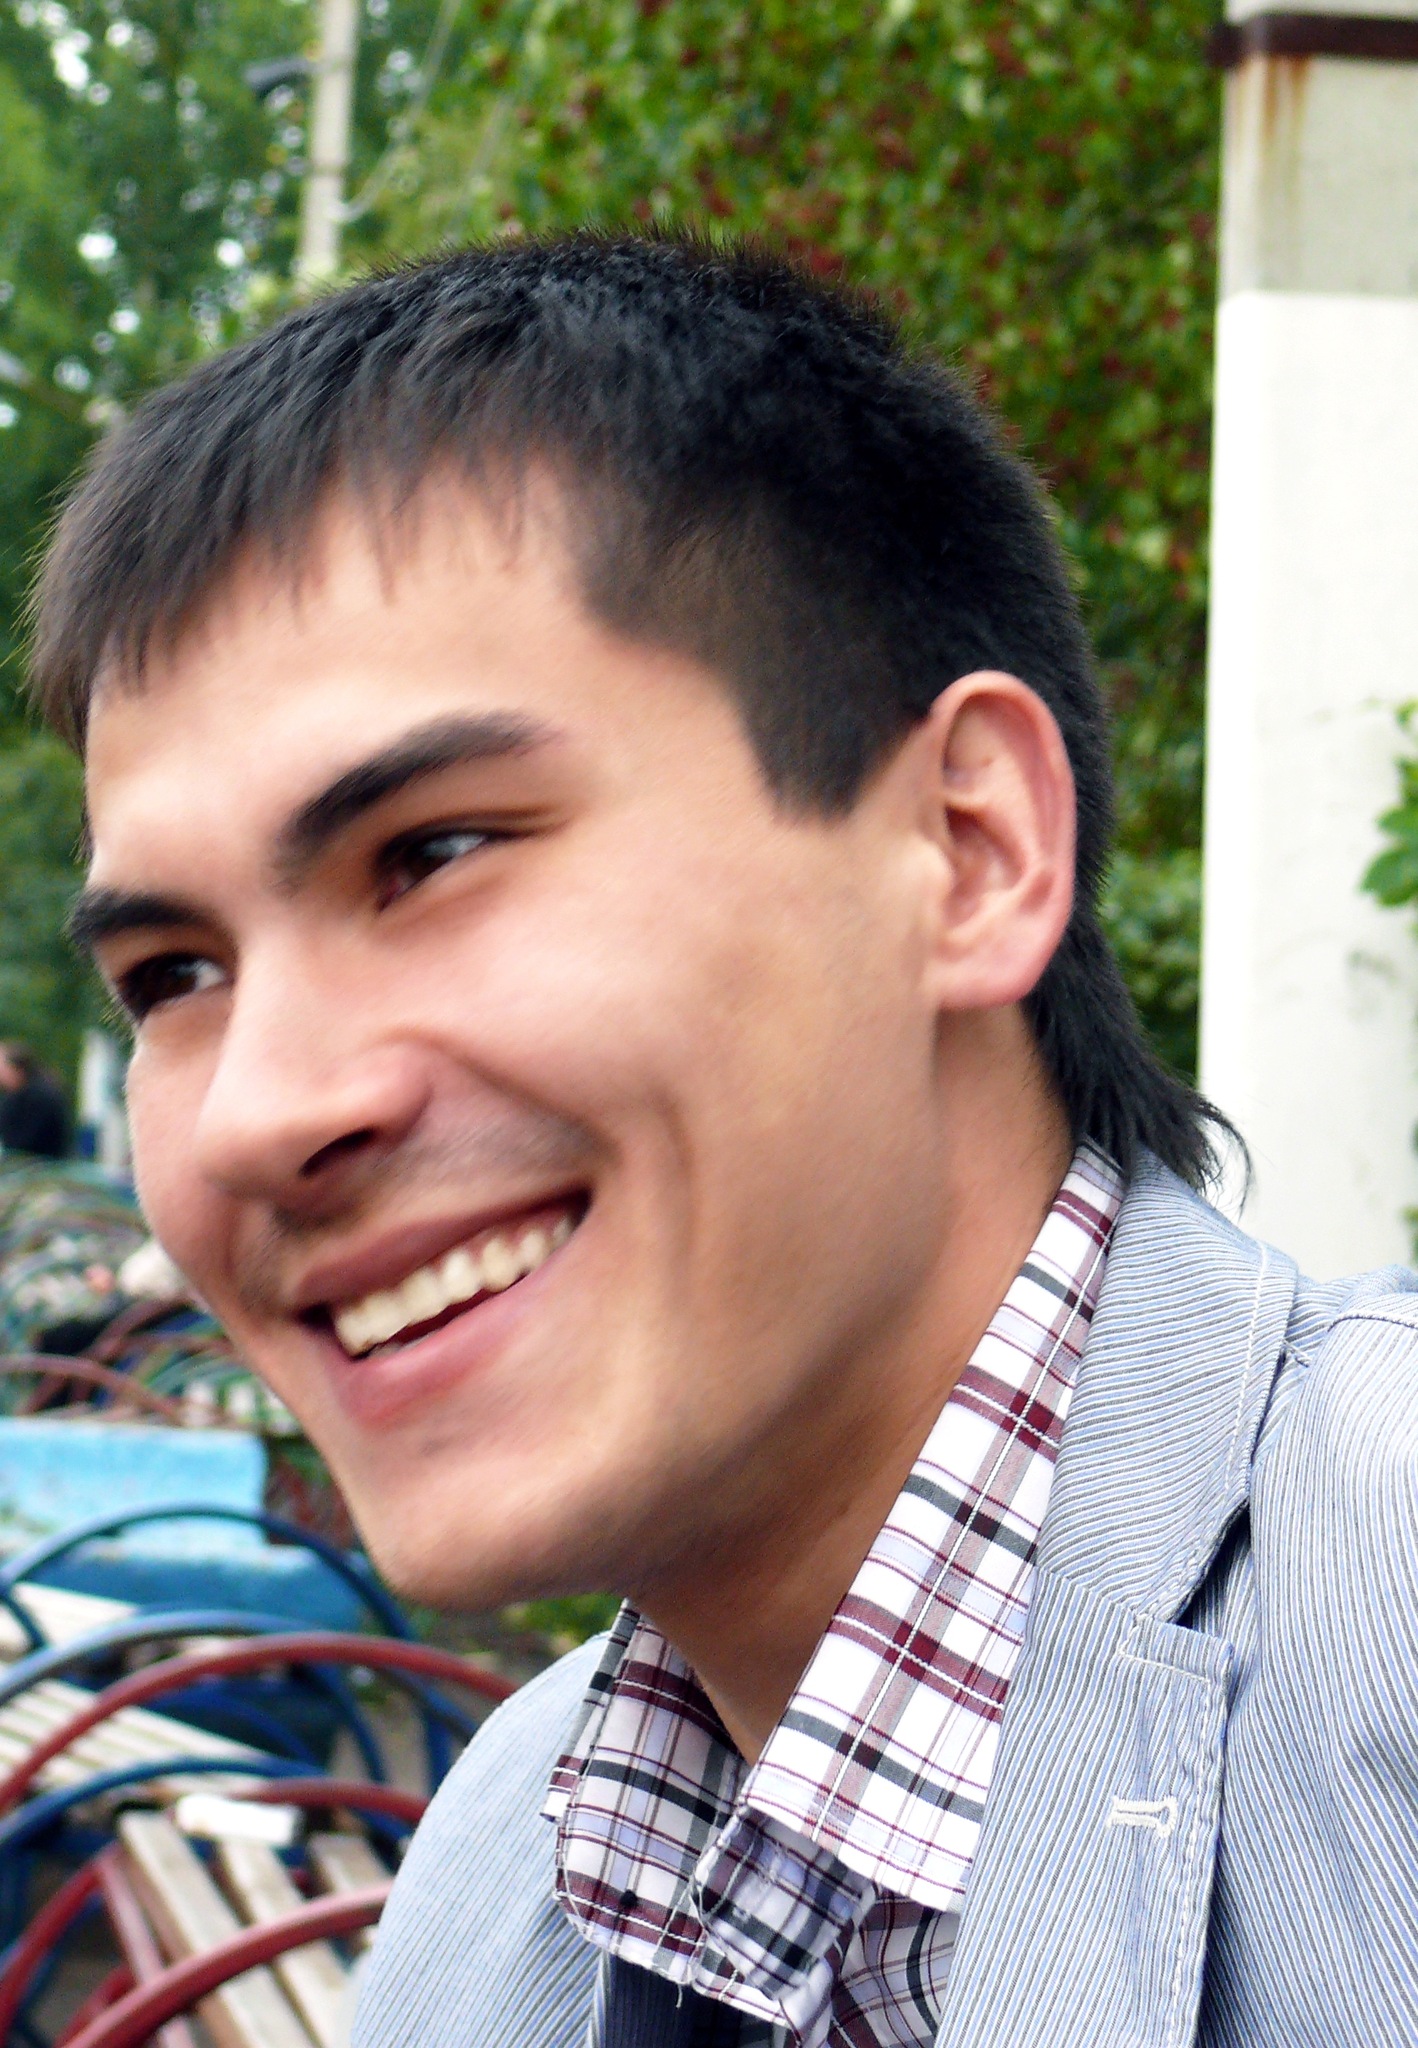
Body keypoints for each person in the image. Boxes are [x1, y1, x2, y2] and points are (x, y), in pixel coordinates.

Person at [31, 235, 1418, 2047]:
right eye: (175, 973)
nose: (260, 1111)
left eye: (431, 855)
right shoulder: (491, 1889)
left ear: (966, 849)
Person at [0, 1042, 71, 1160]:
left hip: (40, 1164)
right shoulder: (17, 1096)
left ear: (16, 1069)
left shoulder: (39, 1098)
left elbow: (24, 1142)